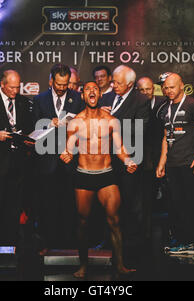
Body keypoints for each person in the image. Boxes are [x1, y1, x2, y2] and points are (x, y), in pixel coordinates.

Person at [60, 81, 137, 278]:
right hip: (84, 174)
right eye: (88, 89)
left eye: (95, 89)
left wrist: (128, 160)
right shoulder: (76, 121)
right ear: (83, 96)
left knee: (115, 220)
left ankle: (120, 265)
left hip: (106, 174)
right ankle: (83, 265)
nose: (92, 91)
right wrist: (67, 154)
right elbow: (69, 147)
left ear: (100, 95)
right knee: (82, 222)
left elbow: (119, 148)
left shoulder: (111, 120)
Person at [98, 65, 149, 265]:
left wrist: (111, 120)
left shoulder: (141, 101)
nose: (114, 85)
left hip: (129, 160)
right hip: (107, 161)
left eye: (118, 83)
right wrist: (99, 114)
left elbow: (140, 129)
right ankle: (108, 241)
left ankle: (131, 245)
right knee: (107, 203)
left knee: (129, 203)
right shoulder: (107, 98)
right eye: (113, 82)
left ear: (129, 84)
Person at [32, 63, 85, 253]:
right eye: (59, 84)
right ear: (51, 81)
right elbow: (34, 128)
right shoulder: (39, 100)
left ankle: (69, 244)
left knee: (70, 204)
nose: (62, 88)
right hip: (47, 162)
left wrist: (70, 151)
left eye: (66, 84)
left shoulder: (78, 99)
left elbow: (83, 129)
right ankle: (48, 242)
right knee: (47, 204)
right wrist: (48, 123)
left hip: (70, 160)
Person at [0, 70, 34, 255]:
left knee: (14, 205)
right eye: (12, 87)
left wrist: (28, 139)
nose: (15, 90)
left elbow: (29, 129)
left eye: (18, 87)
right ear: (2, 85)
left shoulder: (24, 102)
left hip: (18, 164)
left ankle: (11, 244)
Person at [155, 73, 194, 255]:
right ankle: (182, 239)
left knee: (190, 204)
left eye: (172, 87)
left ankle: (192, 242)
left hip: (189, 162)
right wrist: (161, 162)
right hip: (172, 163)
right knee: (176, 204)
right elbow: (166, 136)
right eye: (165, 87)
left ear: (182, 86)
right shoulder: (164, 108)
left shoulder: (192, 105)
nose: (168, 91)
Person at [136, 76, 166, 238]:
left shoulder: (163, 103)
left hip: (160, 158)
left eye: (148, 89)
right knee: (142, 200)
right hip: (140, 160)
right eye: (142, 89)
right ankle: (142, 234)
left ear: (153, 89)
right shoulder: (134, 104)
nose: (146, 92)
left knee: (159, 199)